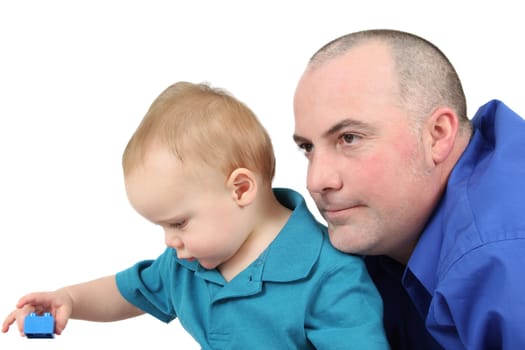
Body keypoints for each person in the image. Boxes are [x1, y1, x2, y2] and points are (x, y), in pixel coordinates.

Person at [2, 81, 389, 349]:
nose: (170, 241)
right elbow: (128, 292)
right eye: (162, 226)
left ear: (240, 189)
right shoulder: (188, 265)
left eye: (178, 223)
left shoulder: (331, 276)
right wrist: (68, 298)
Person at [292, 28, 525, 350]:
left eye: (349, 138)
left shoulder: (502, 257)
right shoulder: (389, 230)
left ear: (438, 135)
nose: (316, 181)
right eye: (307, 147)